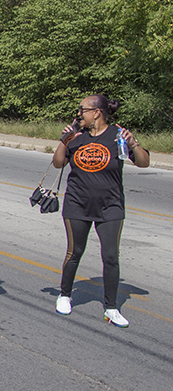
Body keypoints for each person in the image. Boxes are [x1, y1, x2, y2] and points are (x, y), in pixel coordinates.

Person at [52, 95, 150, 327]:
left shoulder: (118, 136)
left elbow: (144, 162)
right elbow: (58, 163)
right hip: (77, 204)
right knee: (74, 252)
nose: (79, 114)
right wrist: (64, 141)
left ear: (97, 112)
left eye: (82, 110)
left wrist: (134, 143)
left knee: (111, 257)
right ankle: (65, 295)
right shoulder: (77, 137)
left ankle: (112, 308)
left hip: (111, 205)